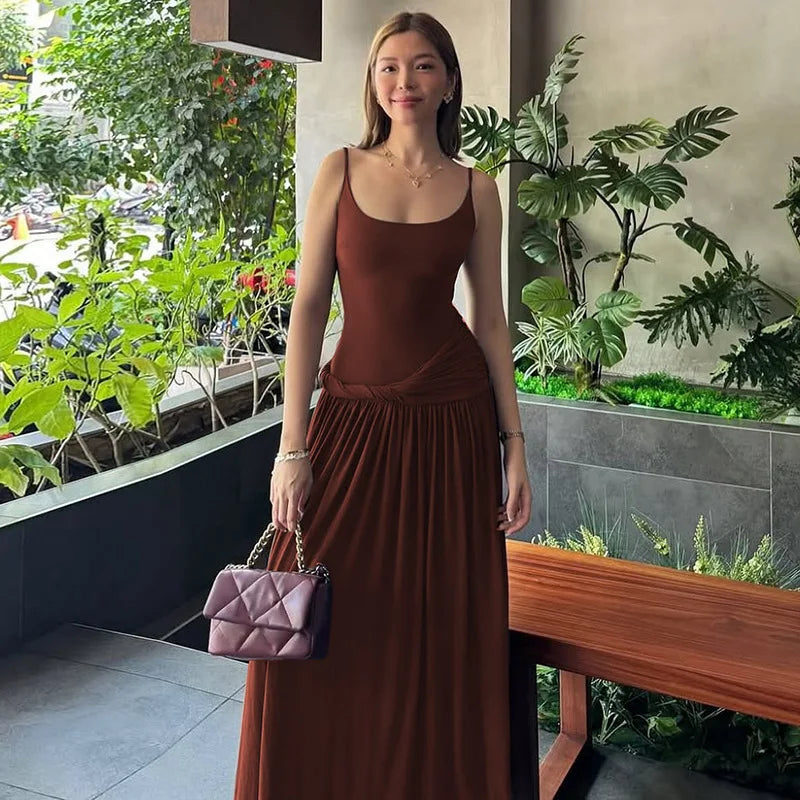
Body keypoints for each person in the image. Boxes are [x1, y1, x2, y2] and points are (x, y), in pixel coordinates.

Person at [233, 10, 532, 800]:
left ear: (448, 80)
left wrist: (516, 445)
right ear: (374, 81)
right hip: (351, 428)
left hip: (452, 427)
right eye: (390, 67)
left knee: (436, 627)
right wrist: (290, 447)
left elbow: (491, 322)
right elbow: (305, 312)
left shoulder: (478, 189)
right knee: (322, 616)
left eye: (423, 66)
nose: (405, 82)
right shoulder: (339, 169)